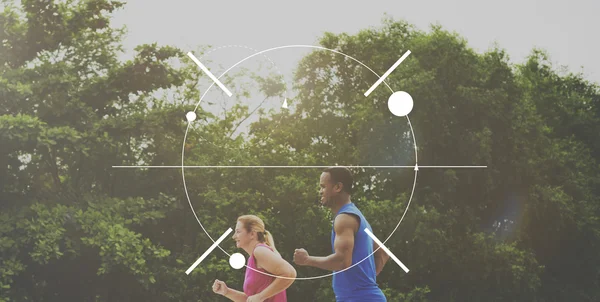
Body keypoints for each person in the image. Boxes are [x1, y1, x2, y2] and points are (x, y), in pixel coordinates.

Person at [293, 167, 390, 302]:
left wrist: (307, 260)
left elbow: (342, 261)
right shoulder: (359, 218)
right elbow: (383, 253)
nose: (320, 191)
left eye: (323, 187)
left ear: (338, 187)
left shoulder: (345, 218)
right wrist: (364, 283)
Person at [213, 215, 296, 302]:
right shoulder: (252, 258)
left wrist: (260, 297)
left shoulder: (260, 251)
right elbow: (251, 299)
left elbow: (289, 273)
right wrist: (227, 292)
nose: (234, 237)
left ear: (252, 234)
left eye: (238, 232)